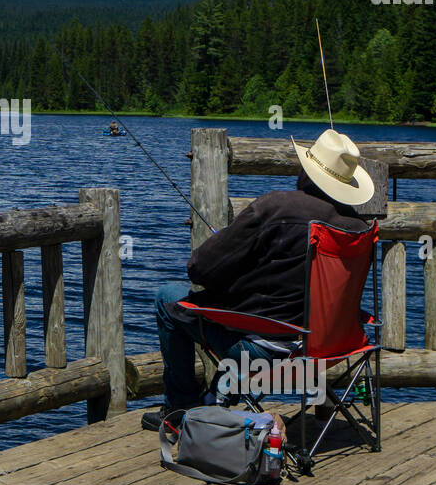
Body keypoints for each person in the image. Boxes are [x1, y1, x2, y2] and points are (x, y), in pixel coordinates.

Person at [141, 128, 375, 431]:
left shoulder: (275, 207)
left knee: (167, 298)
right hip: (330, 350)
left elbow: (200, 269)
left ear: (306, 173)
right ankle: (218, 396)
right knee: (251, 316)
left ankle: (179, 410)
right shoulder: (357, 228)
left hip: (265, 354)